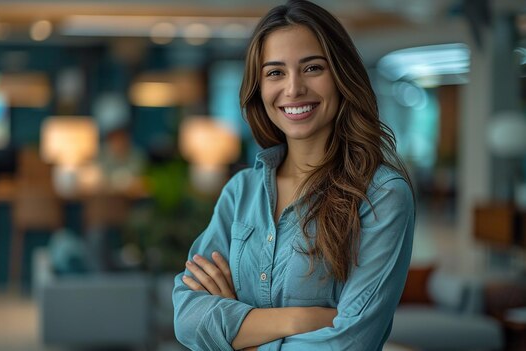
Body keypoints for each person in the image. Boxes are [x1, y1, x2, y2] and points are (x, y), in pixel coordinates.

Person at [172, 1, 415, 350]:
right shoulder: (241, 192)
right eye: (275, 73)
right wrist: (301, 320)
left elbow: (349, 343)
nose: (293, 89)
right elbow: (187, 317)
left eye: (313, 68)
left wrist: (239, 335)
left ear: (342, 75)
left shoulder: (382, 195)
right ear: (259, 88)